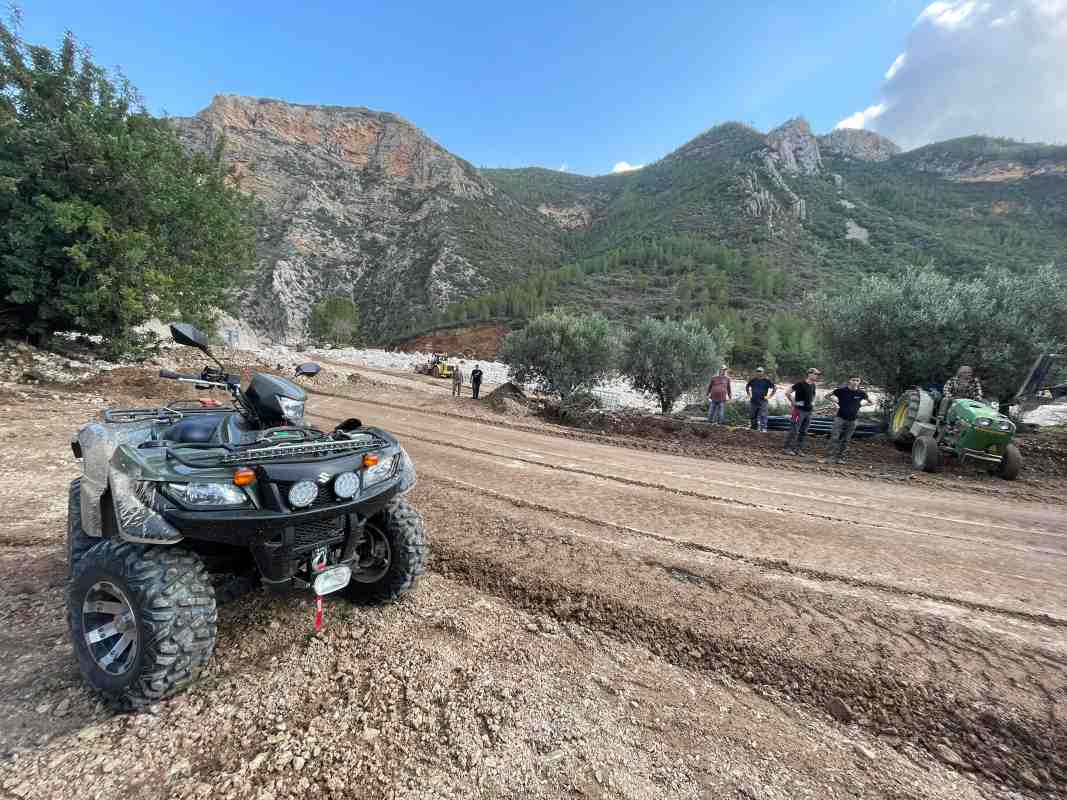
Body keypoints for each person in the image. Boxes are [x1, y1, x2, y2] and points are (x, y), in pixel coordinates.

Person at [822, 376, 872, 464]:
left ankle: (841, 458)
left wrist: (861, 405)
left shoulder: (861, 393)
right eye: (853, 380)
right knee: (834, 438)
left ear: (859, 382)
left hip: (853, 420)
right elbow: (827, 396)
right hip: (840, 418)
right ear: (849, 381)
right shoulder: (841, 390)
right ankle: (828, 458)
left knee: (846, 440)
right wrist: (835, 402)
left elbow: (871, 402)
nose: (855, 382)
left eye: (857, 380)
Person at [784, 368, 821, 455]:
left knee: (804, 431)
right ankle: (787, 448)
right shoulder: (800, 384)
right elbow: (787, 393)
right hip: (798, 411)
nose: (817, 376)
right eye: (815, 374)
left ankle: (798, 449)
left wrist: (812, 404)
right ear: (809, 374)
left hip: (808, 412)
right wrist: (793, 402)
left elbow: (813, 396)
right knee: (794, 430)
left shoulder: (813, 385)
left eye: (818, 374)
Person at [745, 367, 776, 433]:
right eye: (758, 371)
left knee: (763, 415)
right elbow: (747, 386)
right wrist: (749, 394)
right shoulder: (753, 380)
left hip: (763, 401)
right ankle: (753, 427)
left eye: (760, 371)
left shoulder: (766, 381)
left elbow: (774, 388)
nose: (759, 373)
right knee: (753, 415)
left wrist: (769, 396)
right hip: (753, 401)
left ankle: (763, 428)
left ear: (763, 372)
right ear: (756, 372)